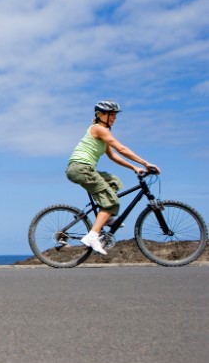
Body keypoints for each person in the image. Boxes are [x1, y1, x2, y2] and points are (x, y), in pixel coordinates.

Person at [66, 101, 160, 255]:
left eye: (115, 114)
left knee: (114, 182)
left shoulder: (102, 132)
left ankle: (106, 217)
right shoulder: (99, 129)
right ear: (100, 115)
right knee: (112, 202)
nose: (114, 117)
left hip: (83, 169)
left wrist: (134, 167)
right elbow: (121, 148)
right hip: (81, 168)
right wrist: (145, 163)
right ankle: (92, 236)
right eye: (112, 114)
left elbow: (113, 156)